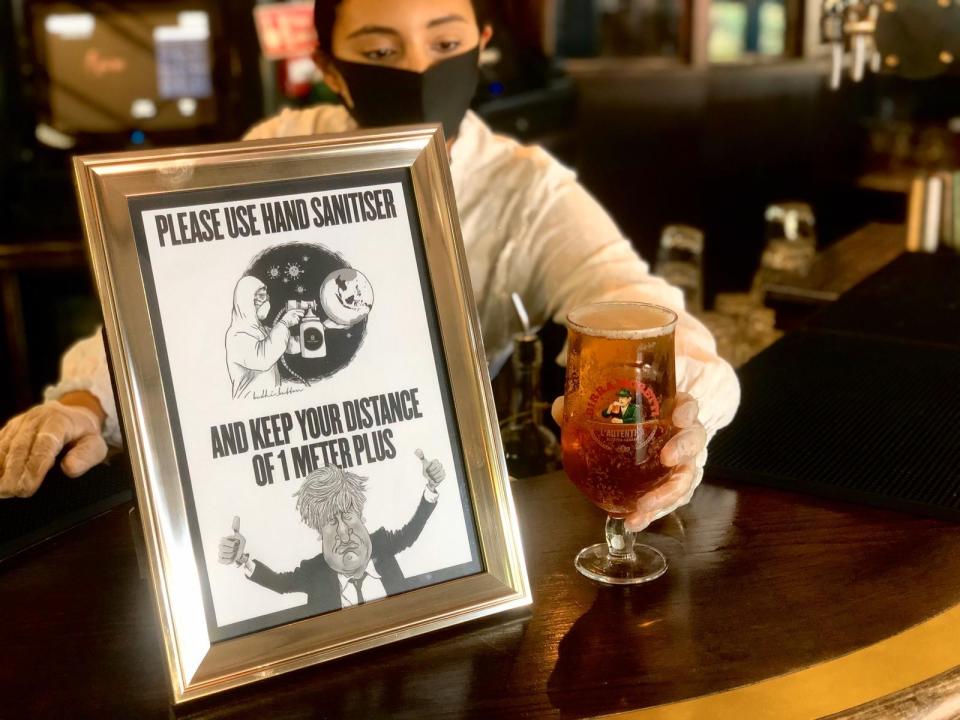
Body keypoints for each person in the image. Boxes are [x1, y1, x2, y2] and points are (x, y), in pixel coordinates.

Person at [0, 0, 740, 534]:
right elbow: (171, 298)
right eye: (381, 52)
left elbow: (640, 304)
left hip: (435, 496)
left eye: (445, 40)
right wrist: (85, 403)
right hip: (262, 480)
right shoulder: (282, 146)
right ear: (330, 68)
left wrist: (684, 418)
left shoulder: (526, 189)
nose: (419, 70)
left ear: (480, 44)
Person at [218, 453, 445, 610]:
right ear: (319, 532)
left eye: (347, 516)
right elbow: (280, 583)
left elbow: (411, 532)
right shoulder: (314, 572)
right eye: (330, 522)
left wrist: (431, 487)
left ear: (361, 516)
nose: (344, 534)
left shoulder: (383, 545)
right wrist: (241, 559)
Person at [226, 277, 306, 399]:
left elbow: (292, 345)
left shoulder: (262, 330)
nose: (267, 300)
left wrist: (324, 327)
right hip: (248, 406)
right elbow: (263, 358)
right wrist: (284, 323)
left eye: (266, 295)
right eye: (261, 296)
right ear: (246, 300)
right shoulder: (237, 335)